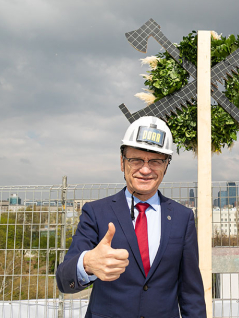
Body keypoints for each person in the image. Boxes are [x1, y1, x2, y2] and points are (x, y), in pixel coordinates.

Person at [56, 116, 206, 318]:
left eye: (155, 161)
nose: (145, 169)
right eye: (136, 160)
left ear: (166, 166)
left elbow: (191, 293)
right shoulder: (96, 212)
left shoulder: (183, 217)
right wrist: (87, 264)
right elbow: (64, 280)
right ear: (122, 162)